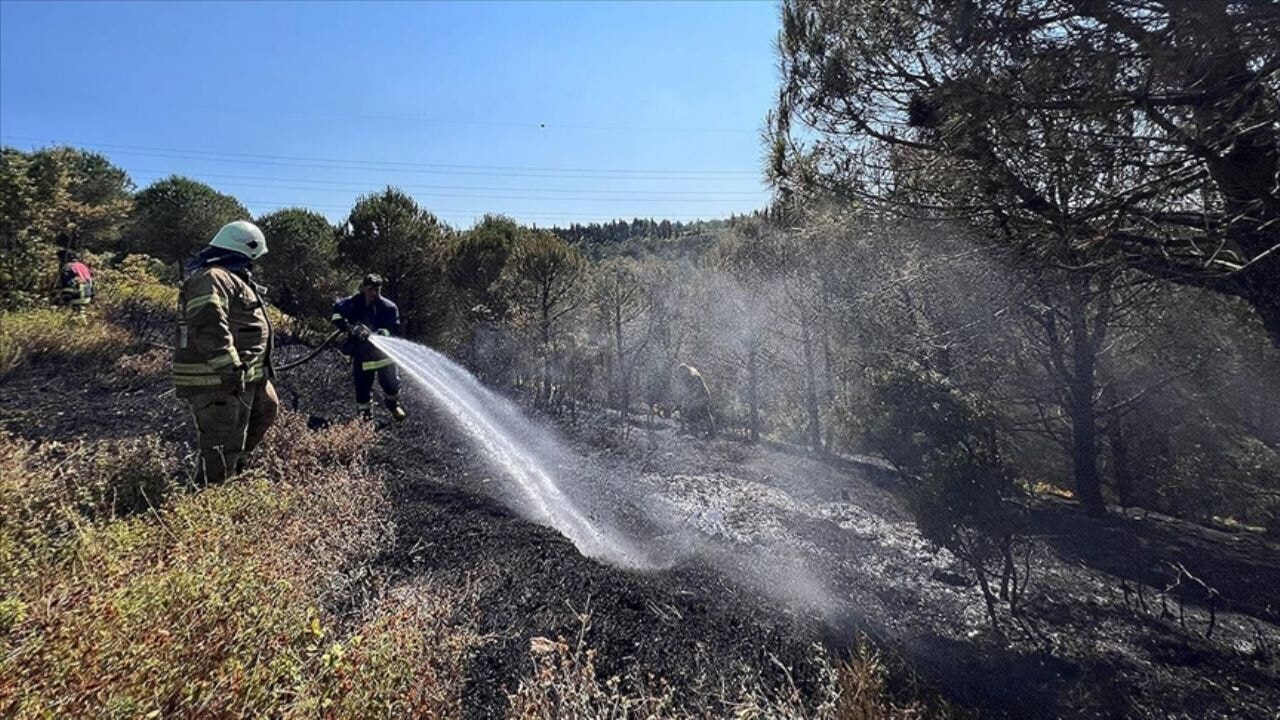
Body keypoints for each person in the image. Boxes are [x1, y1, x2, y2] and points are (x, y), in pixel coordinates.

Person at [172, 221, 279, 484]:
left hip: (245, 375)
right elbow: (208, 323)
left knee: (266, 408)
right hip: (217, 379)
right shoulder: (214, 277)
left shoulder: (231, 277)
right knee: (222, 442)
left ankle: (235, 471)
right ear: (246, 249)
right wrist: (228, 366)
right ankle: (209, 496)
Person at [331, 274, 407, 421]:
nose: (373, 293)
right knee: (362, 387)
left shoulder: (388, 307)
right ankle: (365, 417)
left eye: (377, 289)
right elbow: (336, 314)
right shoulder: (353, 303)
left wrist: (379, 333)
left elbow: (394, 329)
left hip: (384, 356)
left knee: (391, 384)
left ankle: (393, 405)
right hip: (362, 355)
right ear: (364, 287)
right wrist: (349, 327)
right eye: (370, 288)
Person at [676, 363, 715, 438]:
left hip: (702, 397)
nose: (681, 374)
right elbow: (686, 393)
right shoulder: (686, 379)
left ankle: (706, 432)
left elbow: (696, 391)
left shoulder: (695, 377)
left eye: (682, 372)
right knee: (700, 413)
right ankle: (695, 431)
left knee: (701, 413)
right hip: (697, 399)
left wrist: (689, 402)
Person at [56, 248, 94, 313]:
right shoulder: (82, 266)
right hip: (88, 295)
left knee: (75, 316)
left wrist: (62, 301)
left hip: (77, 296)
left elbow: (67, 284)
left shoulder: (67, 267)